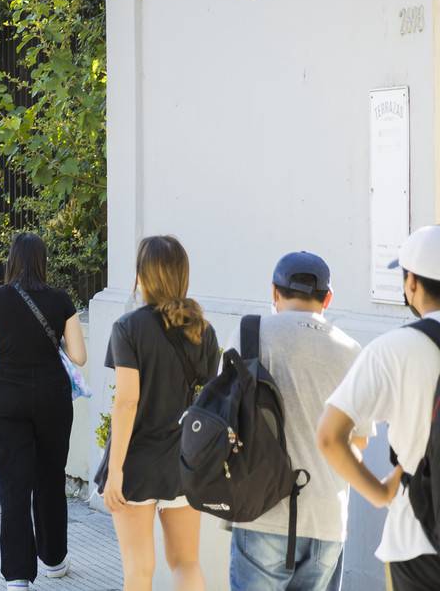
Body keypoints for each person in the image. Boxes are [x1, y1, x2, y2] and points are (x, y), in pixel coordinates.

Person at [224, 252, 362, 590]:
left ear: (274, 292)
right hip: (327, 518)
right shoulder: (351, 351)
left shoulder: (249, 333)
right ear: (328, 298)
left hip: (262, 512)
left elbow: (224, 421)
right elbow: (357, 443)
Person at [318, 225, 440, 590]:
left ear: (412, 283)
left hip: (417, 539)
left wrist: (379, 491)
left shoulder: (394, 349)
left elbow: (329, 436)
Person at [94, 235, 219, 591]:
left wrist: (114, 470)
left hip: (136, 461)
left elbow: (127, 401)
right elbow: (208, 402)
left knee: (138, 569)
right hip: (183, 461)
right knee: (186, 562)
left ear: (143, 276)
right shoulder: (201, 330)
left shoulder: (129, 328)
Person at [0, 233, 86, 588]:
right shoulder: (61, 301)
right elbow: (80, 357)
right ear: (42, 261)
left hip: (7, 402)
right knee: (51, 477)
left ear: (11, 261)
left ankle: (17, 576)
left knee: (14, 486)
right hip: (53, 399)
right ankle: (53, 560)